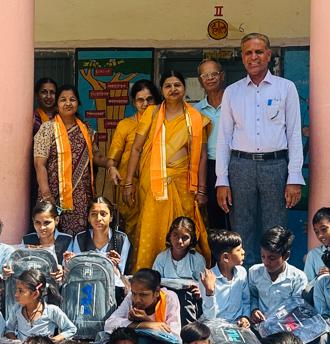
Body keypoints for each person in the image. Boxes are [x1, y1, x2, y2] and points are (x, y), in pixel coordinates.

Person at [215, 33, 304, 265]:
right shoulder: (232, 91)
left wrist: (294, 176)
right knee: (241, 228)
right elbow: (223, 138)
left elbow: (294, 134)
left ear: (268, 55)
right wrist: (222, 180)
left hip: (275, 165)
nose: (253, 57)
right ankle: (244, 278)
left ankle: (273, 278)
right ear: (242, 57)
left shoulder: (286, 88)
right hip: (240, 165)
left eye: (258, 52)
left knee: (275, 228)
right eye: (248, 53)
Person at [122, 70, 212, 270]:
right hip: (154, 184)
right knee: (152, 229)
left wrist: (202, 189)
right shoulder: (152, 114)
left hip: (184, 184)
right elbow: (136, 148)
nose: (173, 89)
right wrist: (128, 182)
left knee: (185, 228)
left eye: (177, 85)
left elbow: (202, 156)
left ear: (184, 88)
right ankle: (148, 273)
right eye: (168, 86)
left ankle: (188, 272)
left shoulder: (196, 118)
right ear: (162, 90)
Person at [34, 86, 95, 236]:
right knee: (49, 235)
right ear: (57, 104)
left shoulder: (86, 130)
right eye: (63, 100)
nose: (68, 103)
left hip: (79, 196)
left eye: (72, 99)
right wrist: (46, 194)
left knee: (78, 237)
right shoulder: (47, 128)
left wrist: (111, 165)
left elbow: (96, 156)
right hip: (52, 192)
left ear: (78, 103)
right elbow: (39, 164)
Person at [104, 269, 181, 344]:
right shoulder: (131, 298)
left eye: (143, 295)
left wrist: (149, 321)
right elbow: (110, 324)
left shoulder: (169, 298)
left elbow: (175, 337)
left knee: (143, 343)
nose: (137, 299)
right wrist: (143, 324)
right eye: (134, 294)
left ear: (156, 292)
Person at [106, 79, 157, 243]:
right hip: (130, 186)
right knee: (130, 229)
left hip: (154, 186)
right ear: (134, 102)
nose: (145, 104)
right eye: (140, 100)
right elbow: (112, 158)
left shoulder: (162, 124)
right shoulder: (125, 125)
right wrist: (112, 168)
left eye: (149, 99)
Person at [194, 59, 229, 231]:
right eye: (205, 75)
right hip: (208, 167)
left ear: (222, 76)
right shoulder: (196, 111)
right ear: (200, 81)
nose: (209, 78)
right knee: (214, 217)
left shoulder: (233, 104)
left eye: (214, 74)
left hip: (233, 164)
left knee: (237, 214)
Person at [247, 226, 307, 324]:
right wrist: (254, 310)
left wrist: (277, 320)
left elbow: (296, 307)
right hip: (259, 325)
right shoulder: (254, 272)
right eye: (263, 256)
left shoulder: (298, 278)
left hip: (285, 326)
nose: (266, 262)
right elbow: (253, 296)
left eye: (272, 258)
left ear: (286, 256)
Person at [200, 228, 250, 326]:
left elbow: (246, 301)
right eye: (239, 250)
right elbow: (209, 317)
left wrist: (245, 317)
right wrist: (209, 292)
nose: (243, 252)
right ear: (226, 257)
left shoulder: (242, 273)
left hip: (237, 325)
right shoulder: (207, 278)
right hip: (215, 326)